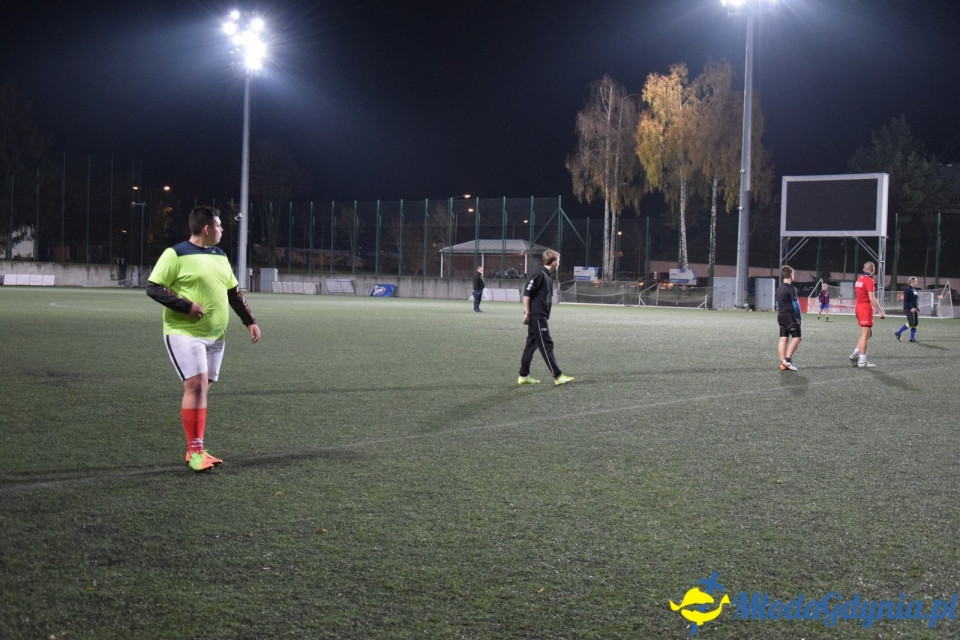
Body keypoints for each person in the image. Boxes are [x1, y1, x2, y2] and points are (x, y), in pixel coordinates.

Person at [147, 206, 261, 472]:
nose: (222, 230)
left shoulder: (220, 256)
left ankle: (194, 446)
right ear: (207, 229)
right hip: (184, 333)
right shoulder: (174, 253)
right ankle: (196, 452)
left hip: (216, 336)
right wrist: (185, 306)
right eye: (219, 226)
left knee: (202, 388)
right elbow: (153, 287)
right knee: (196, 387)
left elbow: (234, 293)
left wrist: (250, 321)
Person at [517, 249, 574, 386]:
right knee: (546, 345)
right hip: (537, 317)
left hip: (540, 316)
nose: (559, 264)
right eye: (558, 261)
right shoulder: (540, 274)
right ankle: (558, 376)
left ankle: (523, 376)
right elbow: (526, 293)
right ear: (554, 262)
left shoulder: (547, 276)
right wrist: (527, 313)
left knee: (531, 346)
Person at [848, 261, 885, 368]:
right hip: (865, 308)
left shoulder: (859, 279)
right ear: (873, 270)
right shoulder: (869, 280)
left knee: (868, 333)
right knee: (865, 334)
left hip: (858, 308)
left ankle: (855, 353)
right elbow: (872, 298)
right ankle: (862, 360)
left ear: (864, 269)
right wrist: (880, 311)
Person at [775, 265, 802, 371]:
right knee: (797, 338)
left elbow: (777, 304)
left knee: (783, 339)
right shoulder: (791, 289)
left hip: (780, 315)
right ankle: (788, 360)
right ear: (791, 275)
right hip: (789, 315)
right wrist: (799, 318)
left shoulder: (779, 288)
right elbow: (795, 305)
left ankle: (783, 363)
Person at [894, 276, 920, 343]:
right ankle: (898, 332)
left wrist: (916, 307)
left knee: (916, 323)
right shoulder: (907, 288)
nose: (917, 282)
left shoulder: (914, 289)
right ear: (912, 281)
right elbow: (906, 300)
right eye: (916, 281)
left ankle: (912, 338)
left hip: (915, 309)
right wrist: (911, 308)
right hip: (909, 308)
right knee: (911, 323)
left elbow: (914, 299)